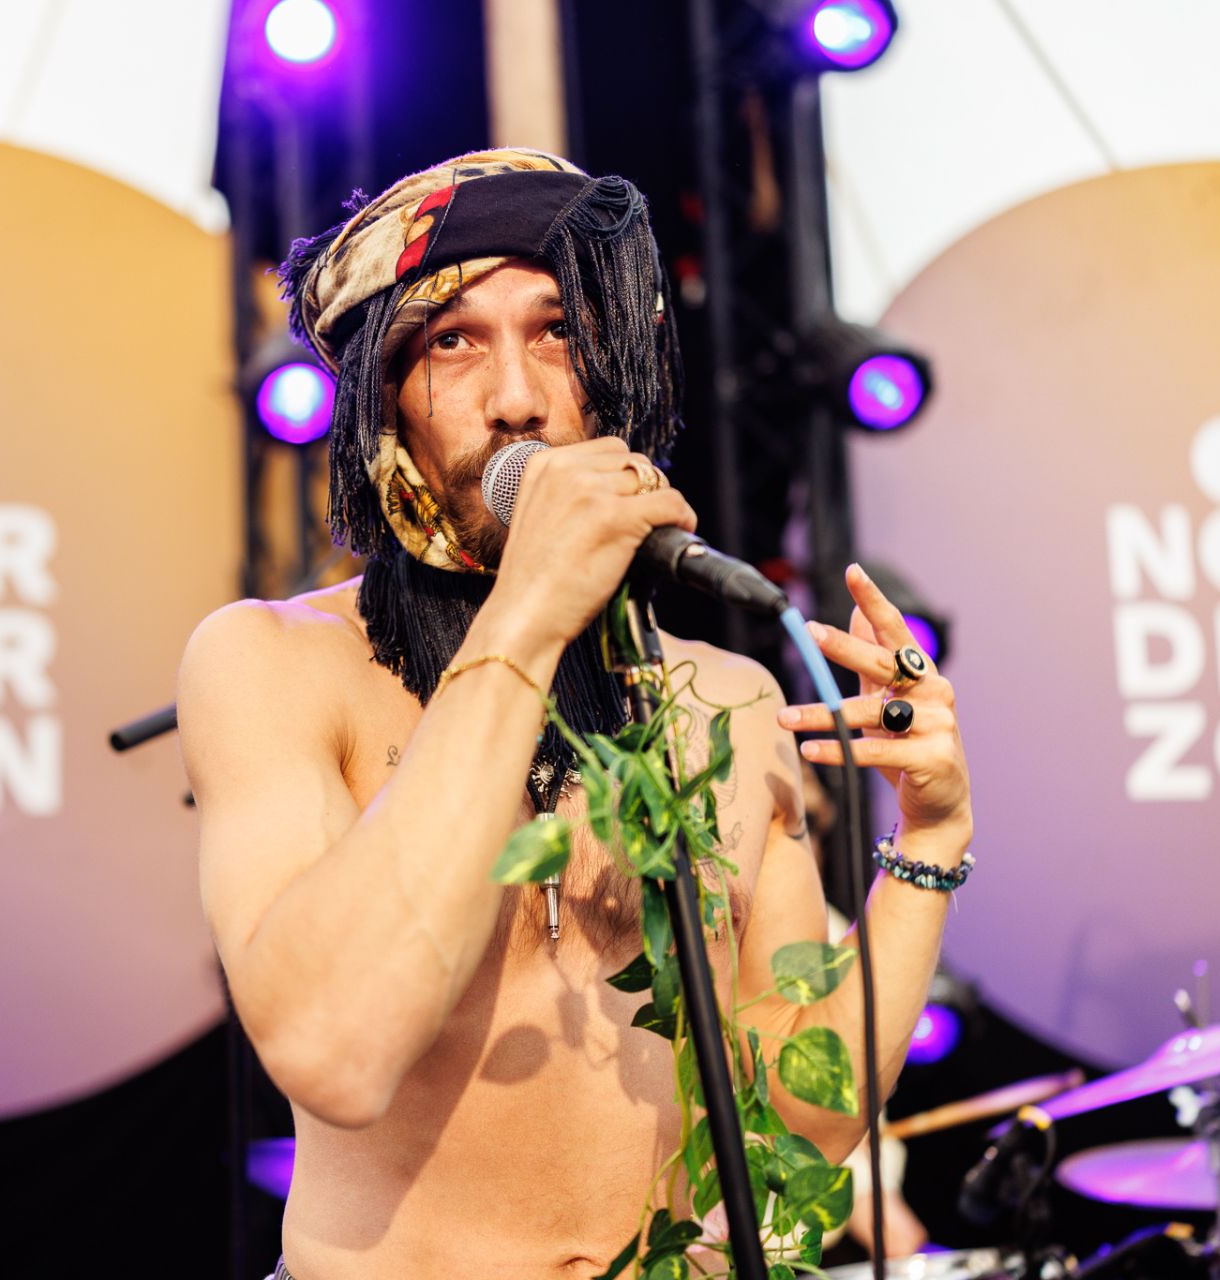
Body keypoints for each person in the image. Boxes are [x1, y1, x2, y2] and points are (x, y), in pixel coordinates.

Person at [178, 150, 974, 1279]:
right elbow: (334, 1050)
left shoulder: (729, 701)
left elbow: (801, 1124)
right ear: (382, 398)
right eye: (453, 342)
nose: (517, 397)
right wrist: (528, 611)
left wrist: (930, 843)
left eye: (556, 331)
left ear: (614, 366)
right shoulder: (273, 662)